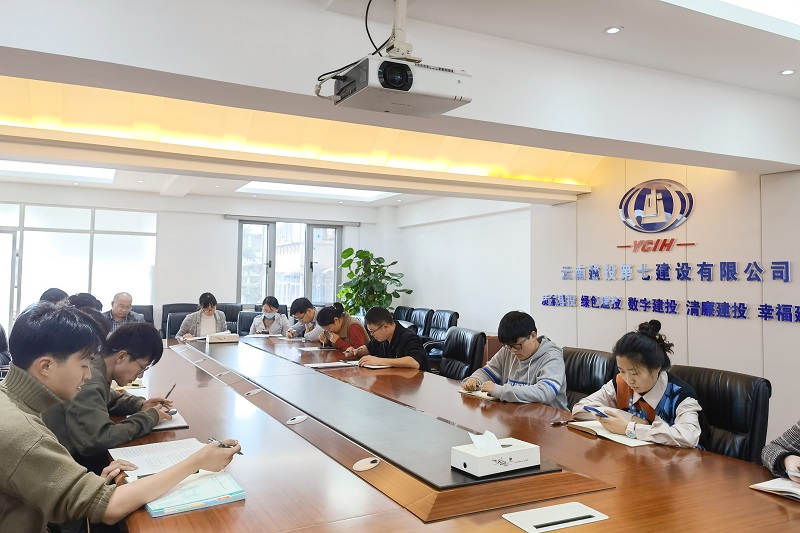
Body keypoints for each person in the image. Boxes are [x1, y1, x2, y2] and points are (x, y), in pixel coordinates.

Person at [0, 302, 240, 532]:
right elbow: (109, 508)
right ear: (46, 366)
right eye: (83, 365)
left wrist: (86, 483)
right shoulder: (22, 434)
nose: (88, 375)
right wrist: (196, 462)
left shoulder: (11, 401)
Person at [43, 323, 172, 467]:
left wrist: (140, 405)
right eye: (142, 367)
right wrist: (149, 418)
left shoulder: (97, 365)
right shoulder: (90, 380)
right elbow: (97, 440)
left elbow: (108, 398)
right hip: (67, 463)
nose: (140, 375)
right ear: (121, 356)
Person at [572, 320, 707, 448]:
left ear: (657, 367)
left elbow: (689, 436)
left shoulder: (680, 394)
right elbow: (580, 409)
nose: (628, 380)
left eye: (635, 373)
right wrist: (631, 418)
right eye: (622, 371)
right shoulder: (620, 383)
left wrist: (630, 428)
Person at [462, 311, 567, 409]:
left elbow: (546, 392)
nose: (513, 351)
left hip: (549, 419)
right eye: (508, 346)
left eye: (517, 345)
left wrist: (501, 391)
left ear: (533, 336)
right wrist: (475, 379)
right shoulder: (507, 351)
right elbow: (487, 372)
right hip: (516, 414)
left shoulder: (551, 357)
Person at [344, 306, 429, 371]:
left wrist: (379, 361)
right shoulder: (381, 338)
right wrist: (355, 351)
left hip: (413, 383)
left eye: (373, 331)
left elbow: (414, 362)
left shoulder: (409, 337)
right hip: (393, 379)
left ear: (385, 327)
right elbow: (367, 348)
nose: (372, 335)